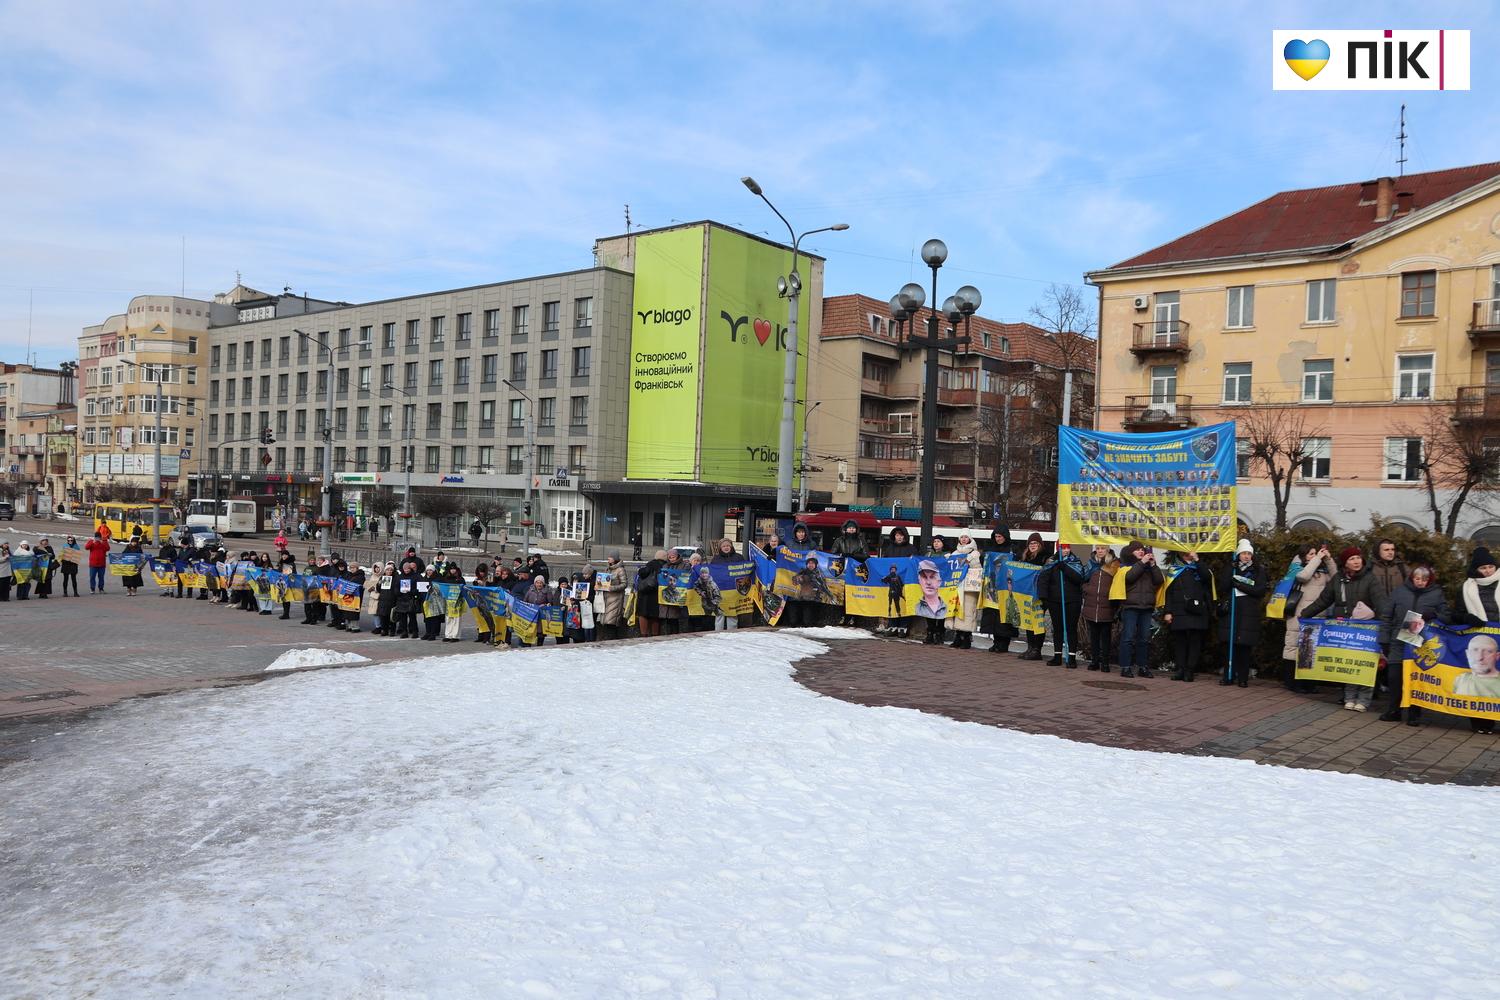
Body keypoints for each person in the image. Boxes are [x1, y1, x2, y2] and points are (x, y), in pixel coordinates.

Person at [1302, 545, 1383, 710]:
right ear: (1345, 563)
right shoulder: (1338, 579)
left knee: (1364, 665)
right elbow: (1324, 600)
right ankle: (1349, 698)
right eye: (1352, 559)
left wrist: (1384, 622)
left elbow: (1381, 603)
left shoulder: (1370, 578)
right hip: (1344, 630)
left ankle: (1363, 700)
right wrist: (1305, 614)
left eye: (1358, 558)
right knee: (1349, 665)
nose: (1356, 561)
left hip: (1365, 630)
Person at [1379, 564, 1448, 726]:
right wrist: (1384, 639)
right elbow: (1386, 616)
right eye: (1417, 579)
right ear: (1412, 578)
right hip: (1398, 640)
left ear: (1429, 580)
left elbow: (1447, 615)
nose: (1420, 582)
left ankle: (1414, 713)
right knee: (1395, 677)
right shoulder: (1399, 592)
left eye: (1424, 580)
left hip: (1421, 644)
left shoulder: (1437, 594)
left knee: (1416, 678)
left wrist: (1435, 614)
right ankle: (1394, 710)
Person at [1452, 546, 1500, 734]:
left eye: (1490, 566)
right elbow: (1456, 613)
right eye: (1483, 568)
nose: (1488, 571)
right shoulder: (1466, 588)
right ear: (1475, 570)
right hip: (1479, 639)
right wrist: (1467, 618)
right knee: (1481, 681)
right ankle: (1480, 721)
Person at [1281, 544, 1337, 693]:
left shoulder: (1323, 571)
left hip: (1317, 615)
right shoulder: (1297, 567)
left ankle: (1308, 683)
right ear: (1304, 556)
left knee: (1311, 650)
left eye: (1315, 553)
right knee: (1293, 646)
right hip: (1298, 613)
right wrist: (1317, 558)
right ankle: (1291, 682)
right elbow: (1303, 576)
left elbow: (1337, 578)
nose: (1314, 556)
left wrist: (1329, 559)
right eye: (1311, 554)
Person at [1217, 538, 1267, 688]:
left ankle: (1243, 677)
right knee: (1229, 645)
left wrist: (1240, 585)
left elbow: (1259, 590)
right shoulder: (1232, 568)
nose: (1246, 556)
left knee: (1244, 646)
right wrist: (1229, 571)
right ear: (1238, 554)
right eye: (1243, 553)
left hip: (1248, 612)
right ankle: (1228, 675)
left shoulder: (1257, 570)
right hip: (1232, 610)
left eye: (1249, 554)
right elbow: (1223, 587)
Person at [1163, 551, 1212, 682]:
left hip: (1197, 609)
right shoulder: (1174, 569)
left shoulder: (1200, 567)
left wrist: (1197, 560)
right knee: (1180, 641)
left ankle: (1190, 670)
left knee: (1195, 641)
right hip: (1179, 610)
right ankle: (1180, 669)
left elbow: (1207, 578)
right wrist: (1168, 611)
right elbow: (1169, 592)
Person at [1118, 540, 1163, 678]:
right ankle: (1126, 667)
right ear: (1130, 552)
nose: (1141, 551)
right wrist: (1142, 563)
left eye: (1142, 549)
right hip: (1131, 607)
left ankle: (1142, 667)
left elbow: (1159, 580)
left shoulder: (1149, 568)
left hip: (1146, 607)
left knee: (1144, 639)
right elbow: (1130, 577)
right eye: (1137, 550)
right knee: (1128, 638)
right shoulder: (1126, 567)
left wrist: (1153, 565)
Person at [1039, 544, 1085, 666]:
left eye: (1067, 548)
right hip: (1055, 600)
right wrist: (1043, 596)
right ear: (1058, 548)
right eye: (1062, 548)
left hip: (1072, 600)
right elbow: (1043, 579)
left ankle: (1071, 657)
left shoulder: (1075, 561)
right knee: (1057, 628)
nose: (1065, 550)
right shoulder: (1051, 561)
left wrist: (1065, 568)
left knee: (1071, 628)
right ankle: (1057, 655)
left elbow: (1079, 578)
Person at [1079, 544, 1118, 672]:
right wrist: (1087, 589)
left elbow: (1119, 583)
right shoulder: (1091, 564)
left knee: (1106, 637)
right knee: (1094, 636)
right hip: (1091, 605)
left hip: (1107, 606)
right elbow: (1082, 579)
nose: (1100, 551)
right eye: (1098, 548)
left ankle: (1105, 663)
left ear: (1108, 550)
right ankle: (1094, 661)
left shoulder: (1114, 564)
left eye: (1103, 548)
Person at [978, 525, 1015, 655]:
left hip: (1006, 587)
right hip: (992, 587)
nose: (998, 539)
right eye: (996, 536)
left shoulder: (1012, 549)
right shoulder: (991, 549)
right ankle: (996, 641)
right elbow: (984, 563)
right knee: (992, 615)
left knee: (1004, 615)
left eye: (1000, 536)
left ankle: (1004, 643)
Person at [945, 534, 984, 649]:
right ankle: (958, 636)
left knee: (967, 611)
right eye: (961, 537)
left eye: (966, 537)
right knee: (956, 611)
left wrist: (970, 561)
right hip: (957, 587)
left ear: (970, 539)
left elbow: (978, 568)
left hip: (969, 588)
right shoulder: (955, 553)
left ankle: (966, 637)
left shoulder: (975, 553)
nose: (963, 539)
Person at [1016, 533, 1051, 661]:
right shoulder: (1025, 558)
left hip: (1040, 595)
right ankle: (1030, 648)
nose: (1033, 546)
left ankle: (1037, 649)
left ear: (1040, 545)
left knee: (1038, 622)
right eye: (1031, 544)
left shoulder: (1046, 558)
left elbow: (1047, 574)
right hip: (1027, 594)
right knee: (1029, 621)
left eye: (1035, 543)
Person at [880, 526, 919, 637]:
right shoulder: (889, 548)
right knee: (892, 604)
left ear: (905, 536)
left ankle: (903, 626)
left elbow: (916, 563)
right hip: (892, 584)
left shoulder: (911, 548)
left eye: (901, 535)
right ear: (894, 536)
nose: (899, 537)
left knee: (905, 603)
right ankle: (892, 626)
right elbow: (884, 562)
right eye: (897, 535)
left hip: (906, 582)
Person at [914, 560, 948, 644]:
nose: (928, 582)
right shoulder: (917, 607)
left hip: (944, 599)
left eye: (932, 577)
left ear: (939, 581)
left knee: (941, 615)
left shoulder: (947, 605)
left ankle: (939, 634)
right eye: (924, 577)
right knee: (928, 610)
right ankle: (930, 633)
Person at [1368, 538, 1409, 608]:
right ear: (1378, 551)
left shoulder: (1402, 567)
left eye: (1392, 549)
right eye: (1386, 550)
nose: (1390, 552)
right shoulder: (1369, 568)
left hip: (1398, 609)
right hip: (1376, 610)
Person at [658, 549, 689, 635]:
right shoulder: (665, 565)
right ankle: (668, 636)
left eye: (673, 557)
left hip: (677, 594)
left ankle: (675, 636)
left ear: (677, 556)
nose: (671, 559)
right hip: (667, 595)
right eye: (670, 557)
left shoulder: (683, 565)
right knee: (668, 619)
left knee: (675, 619)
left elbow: (685, 578)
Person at [635, 551, 665, 638]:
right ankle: (655, 636)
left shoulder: (648, 565)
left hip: (643, 595)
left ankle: (643, 635)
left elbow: (641, 574)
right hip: (656, 596)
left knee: (643, 615)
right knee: (655, 617)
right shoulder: (664, 567)